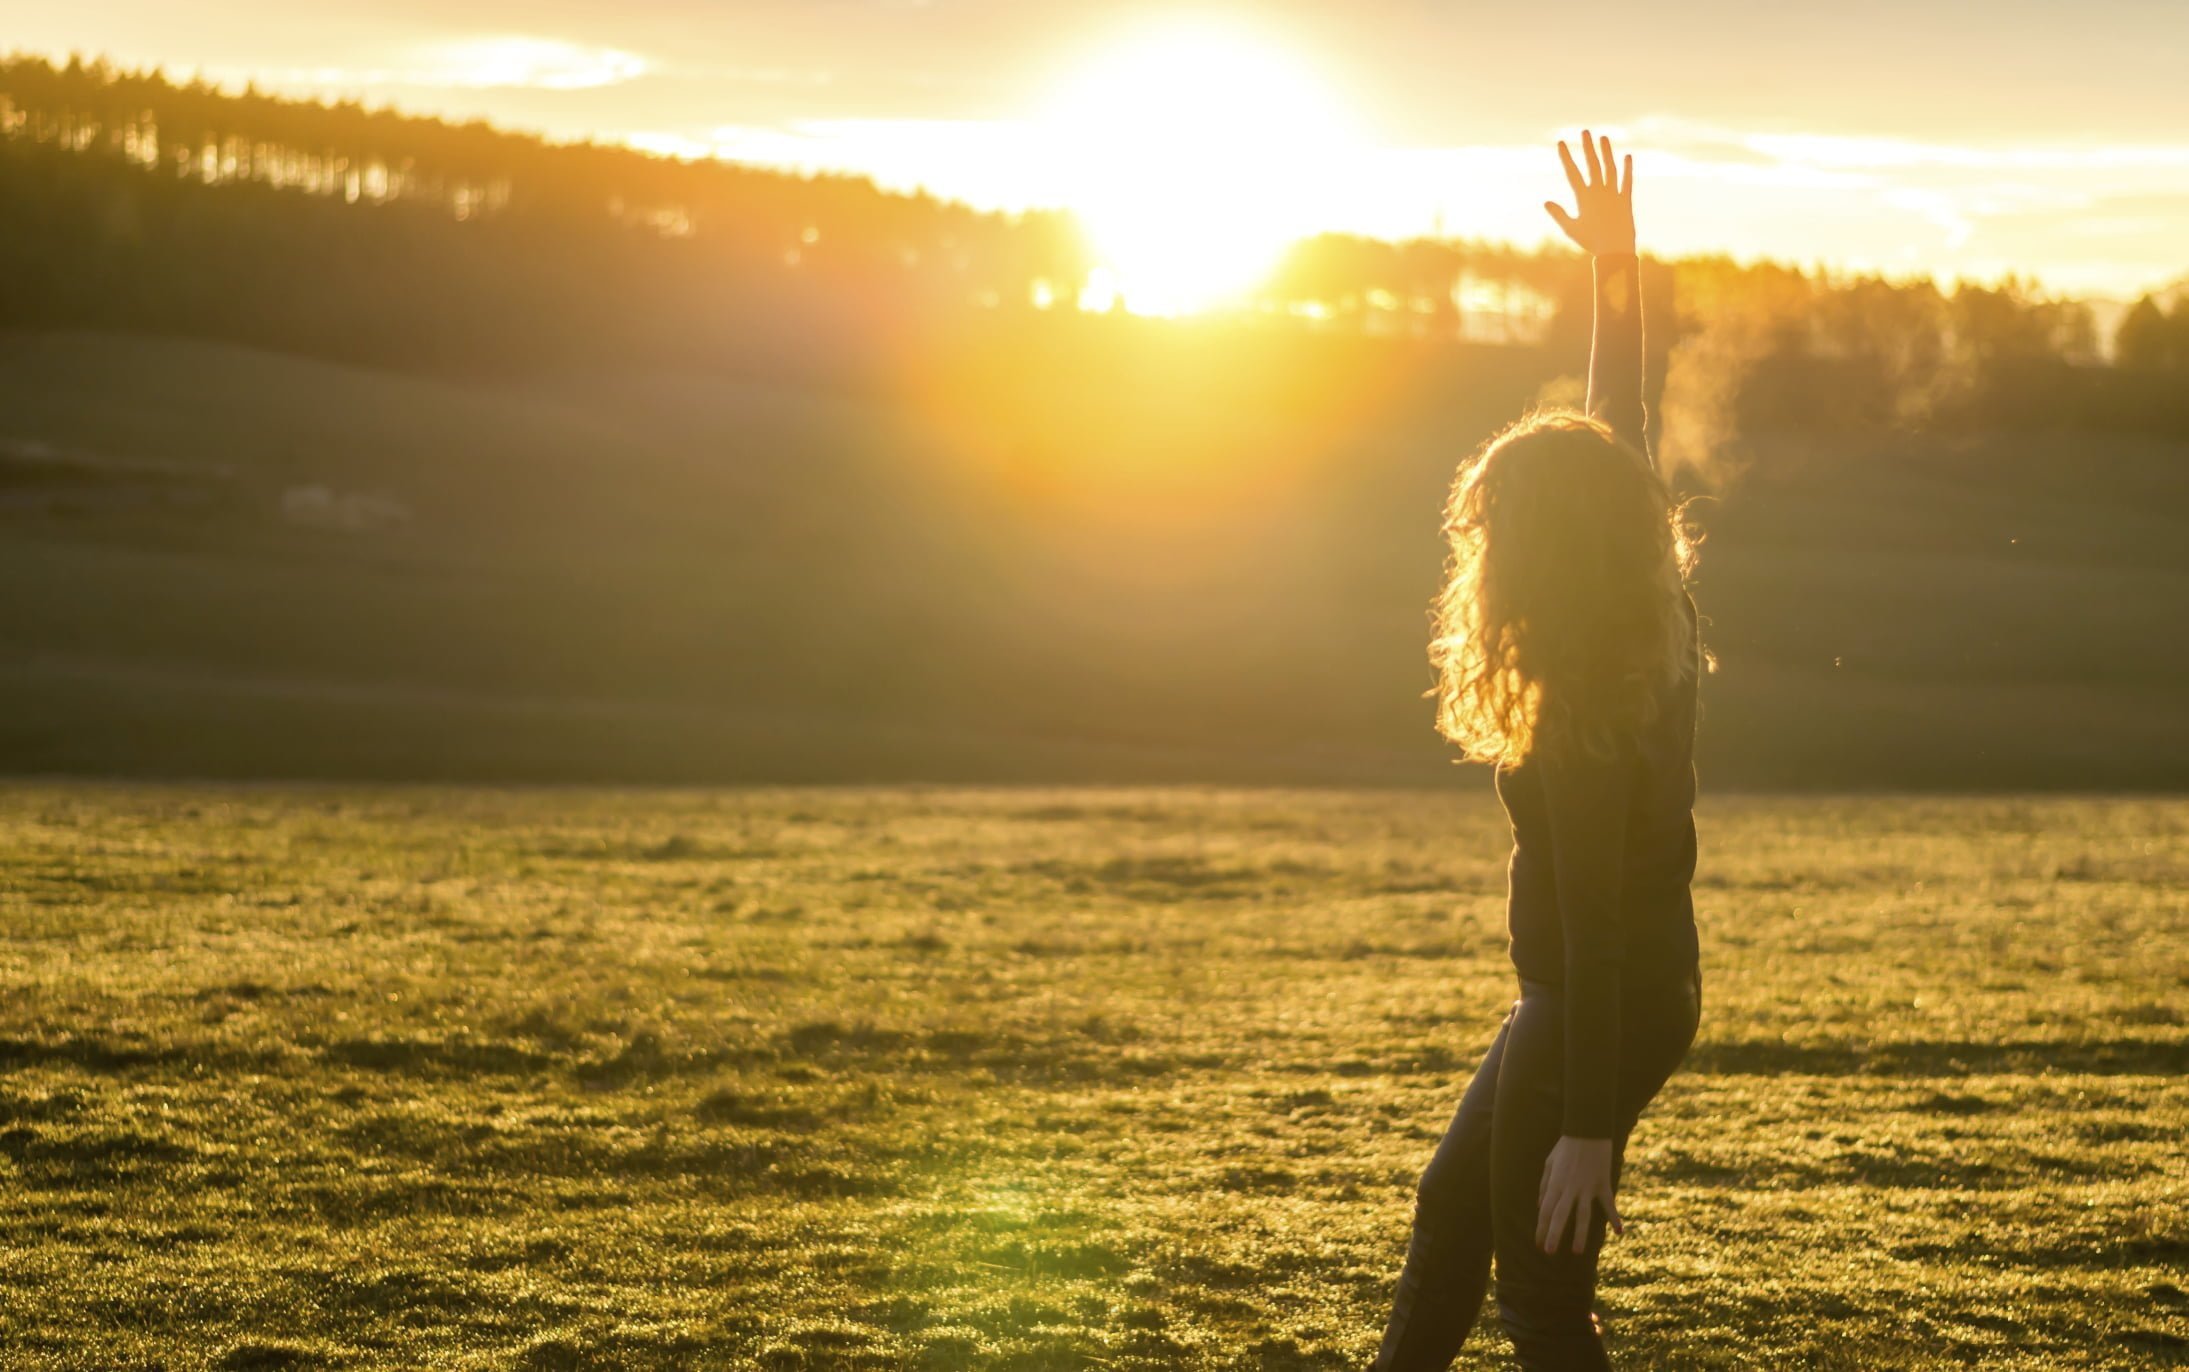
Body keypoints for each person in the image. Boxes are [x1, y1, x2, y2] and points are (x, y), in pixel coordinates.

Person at [1368, 132, 1705, 1372]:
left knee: (1543, 1300)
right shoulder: (1643, 603)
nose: (1479, 548)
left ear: (1540, 553)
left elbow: (1598, 925)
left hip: (1591, 1008)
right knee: (1451, 1211)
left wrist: (1583, 1129)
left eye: (1495, 526)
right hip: (1599, 1000)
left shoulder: (1577, 704)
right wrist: (1616, 274)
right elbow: (1622, 423)